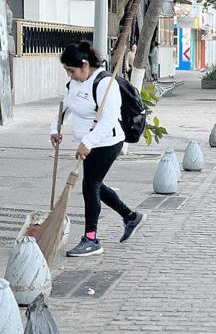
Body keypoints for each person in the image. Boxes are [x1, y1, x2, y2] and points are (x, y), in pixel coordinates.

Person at [50, 42, 145, 257]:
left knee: (90, 185)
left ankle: (91, 239)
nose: (70, 75)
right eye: (67, 71)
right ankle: (130, 216)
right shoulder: (75, 83)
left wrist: (88, 142)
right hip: (90, 142)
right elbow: (65, 107)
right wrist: (54, 129)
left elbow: (109, 120)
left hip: (107, 142)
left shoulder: (104, 84)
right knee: (95, 185)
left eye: (71, 70)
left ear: (85, 65)